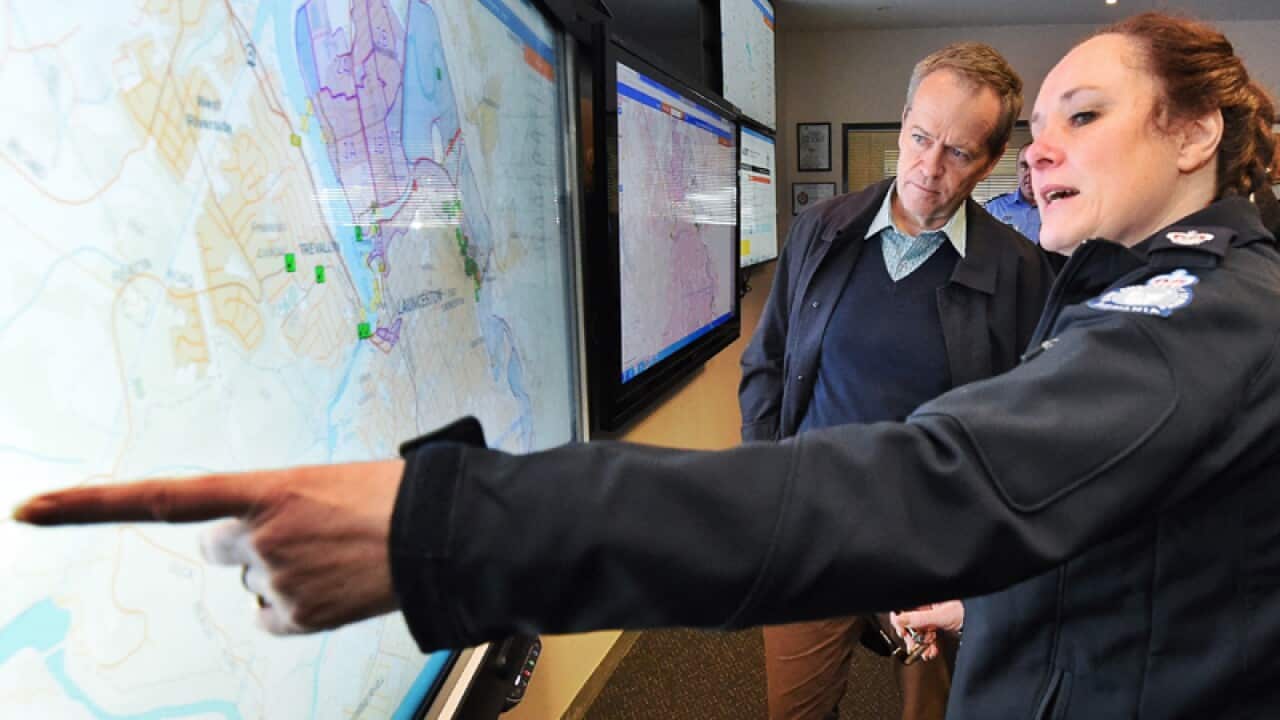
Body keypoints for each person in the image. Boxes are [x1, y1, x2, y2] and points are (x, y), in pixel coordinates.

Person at [15, 11, 1280, 718]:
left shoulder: (1192, 314)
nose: (1036, 151)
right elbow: (1093, 513)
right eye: (1040, 121)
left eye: (1083, 114)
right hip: (921, 570)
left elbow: (957, 475)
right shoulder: (1113, 285)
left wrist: (449, 532)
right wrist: (997, 591)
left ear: (1195, 132)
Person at [738, 43, 1054, 720]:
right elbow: (766, 364)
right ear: (905, 118)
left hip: (939, 544)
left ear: (993, 157)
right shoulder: (822, 232)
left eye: (959, 152)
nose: (928, 168)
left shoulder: (1023, 273)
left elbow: (1030, 430)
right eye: (919, 137)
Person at [983, 143, 1042, 242]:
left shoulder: (1060, 210)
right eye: (1024, 166)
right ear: (1017, 171)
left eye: (1036, 166)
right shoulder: (993, 209)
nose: (1029, 173)